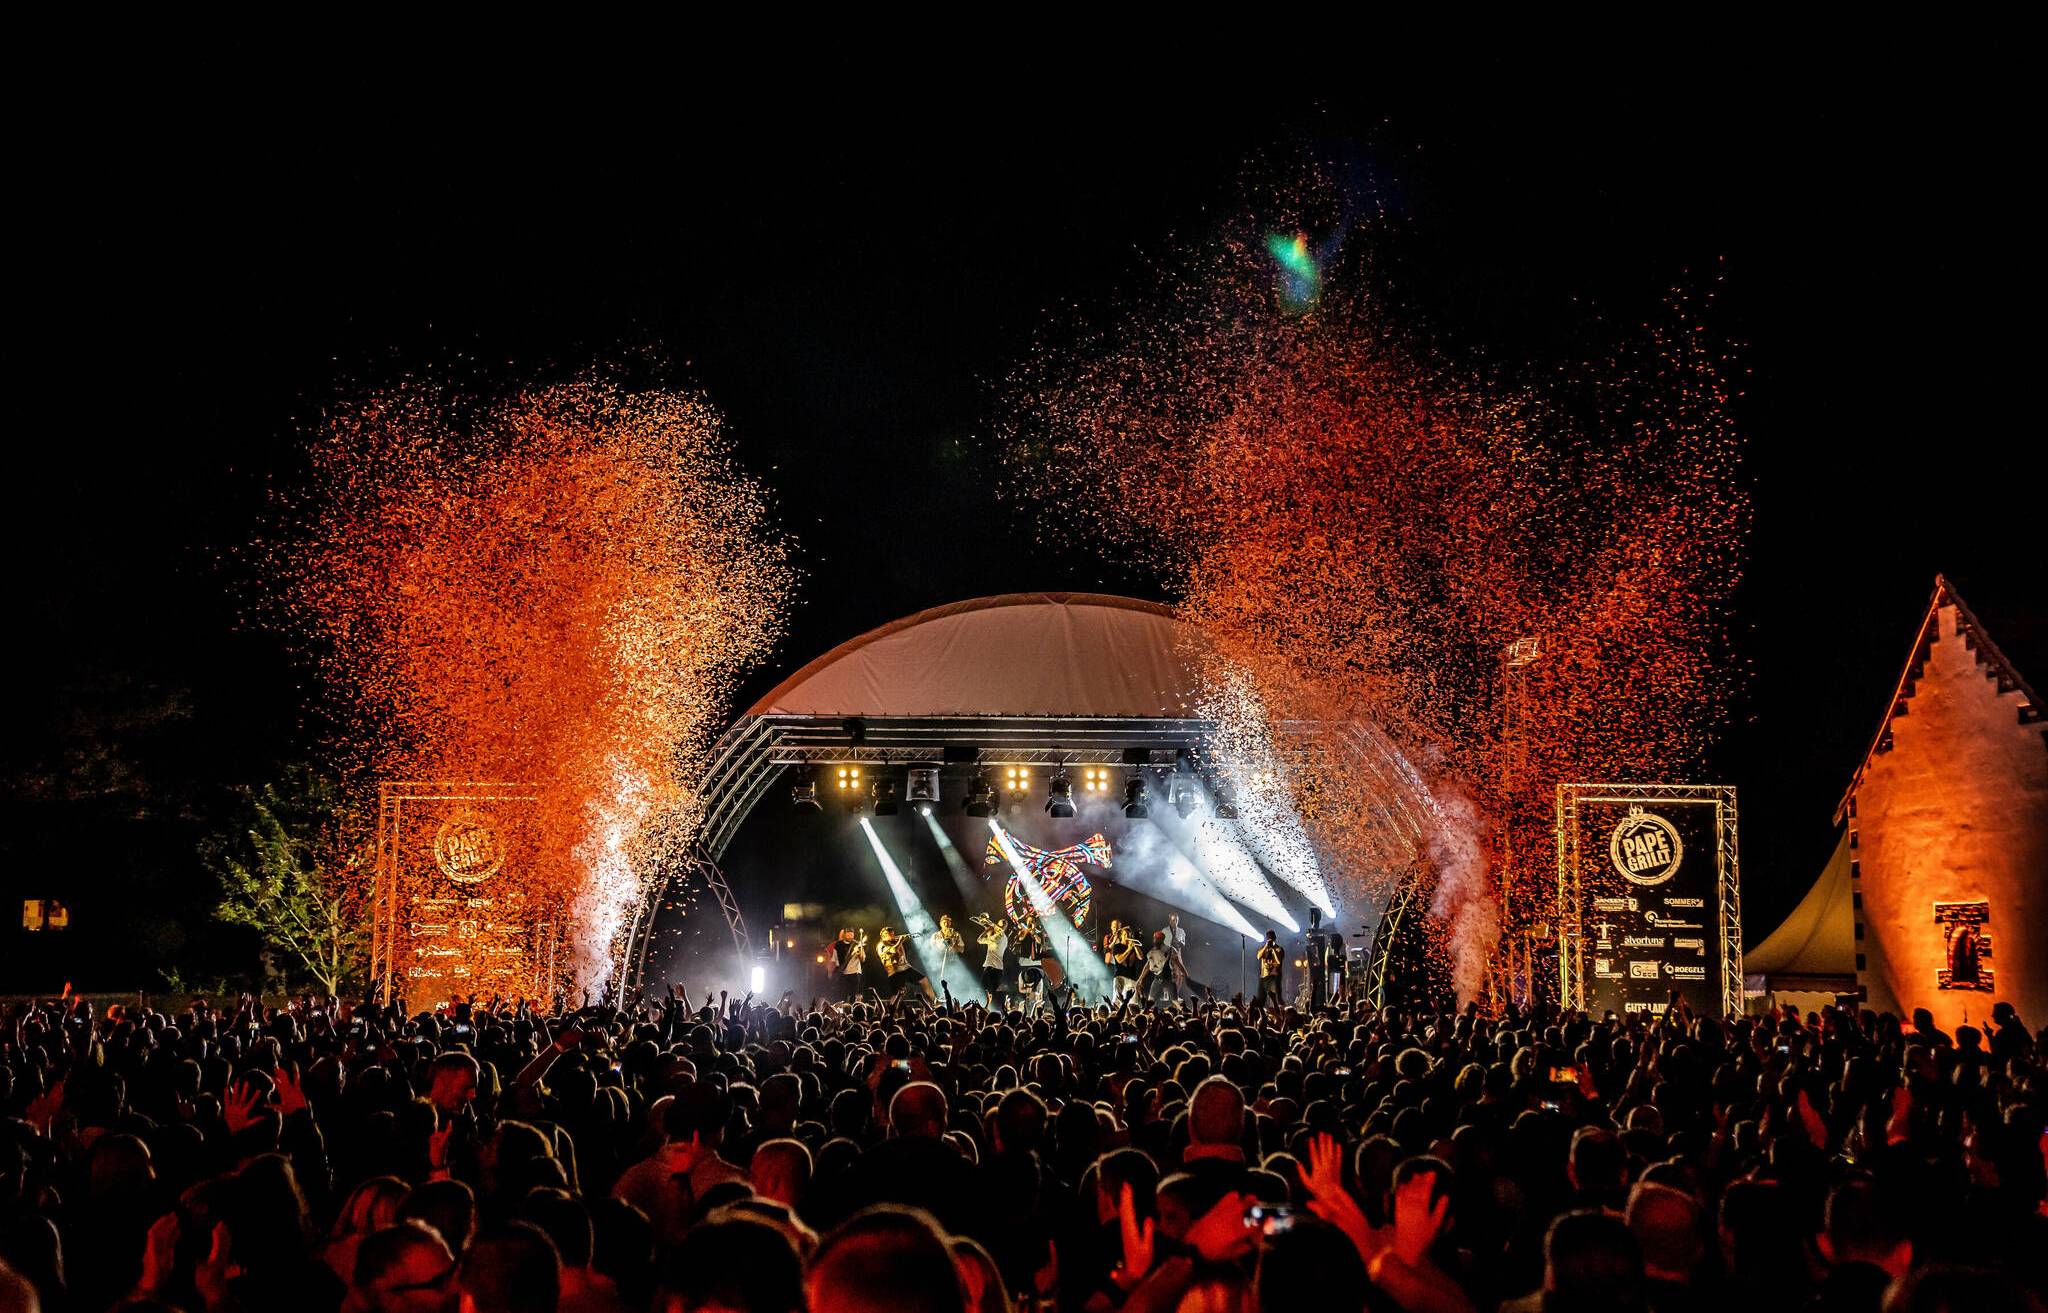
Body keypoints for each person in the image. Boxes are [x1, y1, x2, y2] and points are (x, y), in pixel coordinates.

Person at [976, 917, 1009, 1009]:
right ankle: (985, 1008)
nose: (1000, 926)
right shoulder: (992, 939)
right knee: (983, 990)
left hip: (995, 969)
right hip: (989, 967)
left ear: (1005, 927)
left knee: (991, 993)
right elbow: (979, 940)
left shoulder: (1002, 937)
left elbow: (998, 931)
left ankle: (994, 1010)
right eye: (999, 924)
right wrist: (987, 930)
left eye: (1003, 925)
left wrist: (990, 925)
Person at [1256, 931, 1283, 1006]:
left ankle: (1277, 1013)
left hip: (1274, 976)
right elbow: (1258, 957)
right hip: (1264, 976)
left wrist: (1273, 950)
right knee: (1261, 998)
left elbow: (1278, 961)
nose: (1269, 939)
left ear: (1274, 938)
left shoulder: (1279, 949)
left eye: (1271, 937)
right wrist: (1266, 946)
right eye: (1268, 937)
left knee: (1275, 998)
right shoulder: (1263, 948)